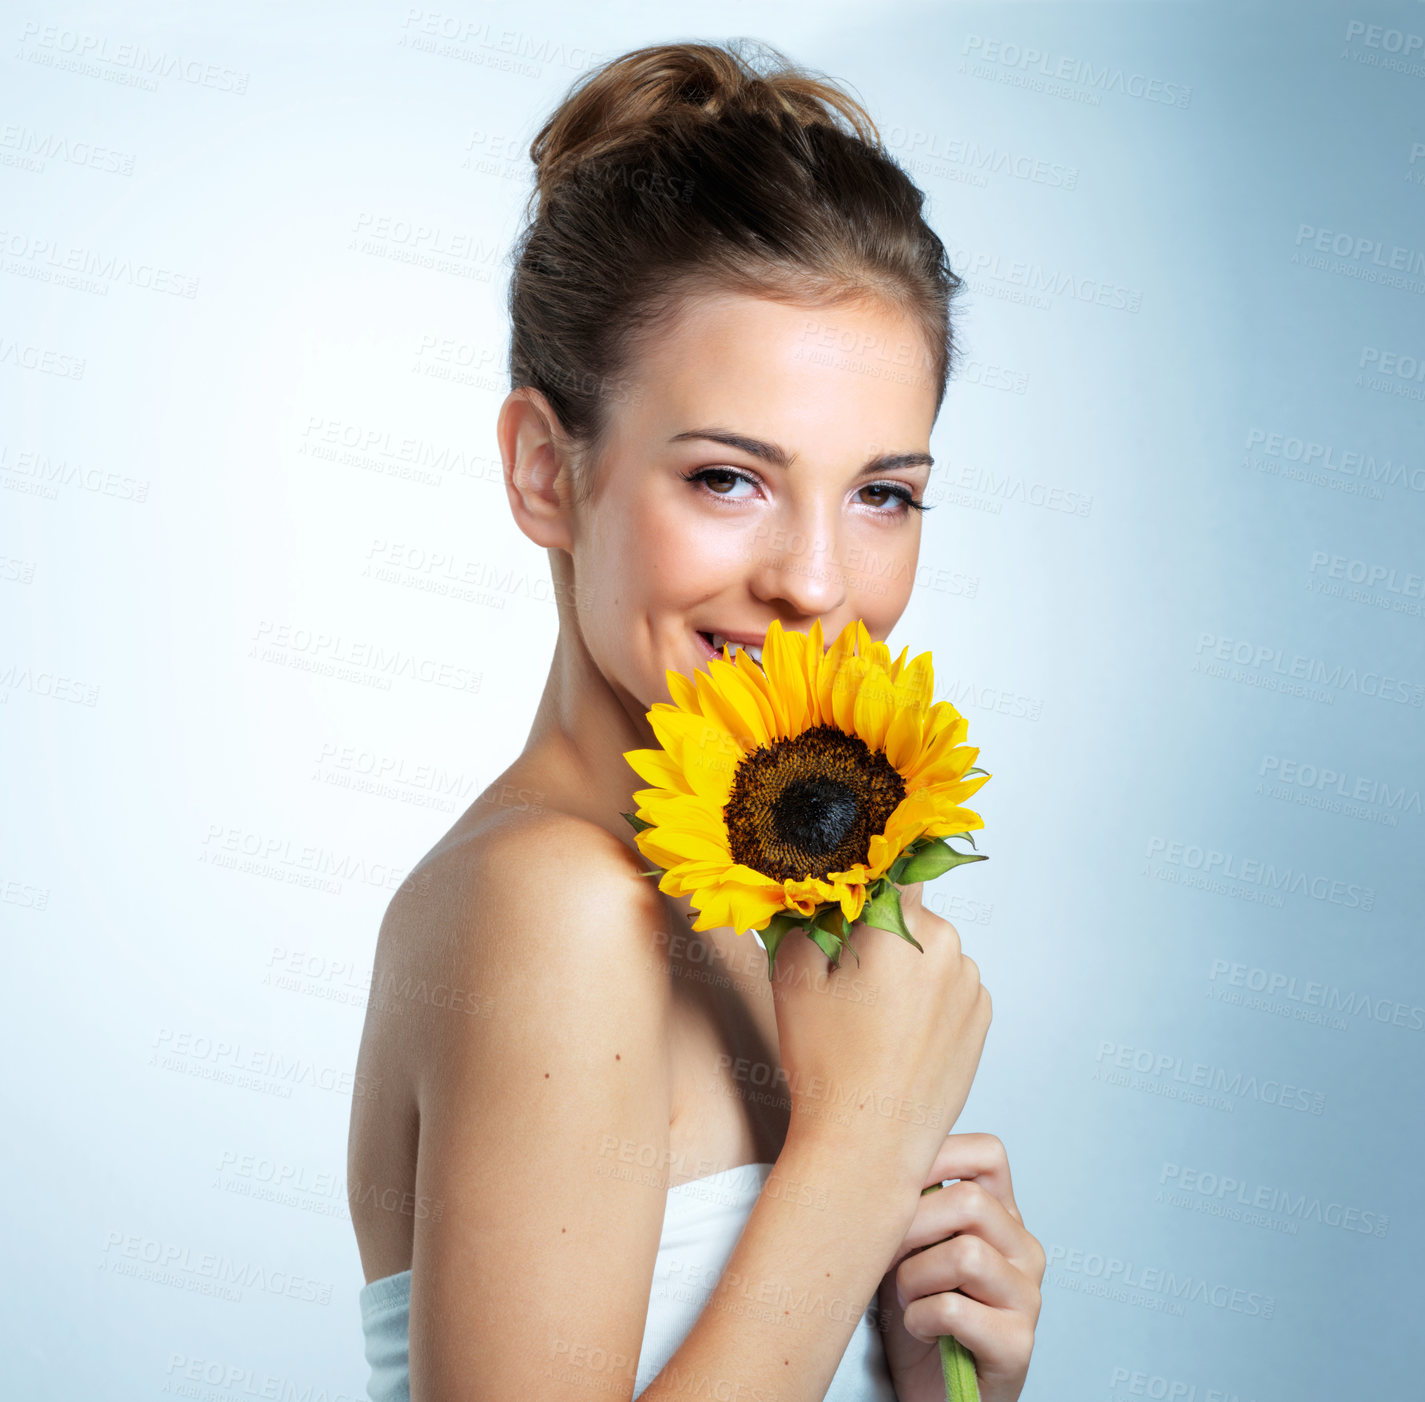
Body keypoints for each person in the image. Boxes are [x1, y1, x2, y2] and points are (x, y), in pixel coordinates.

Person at [347, 37, 1045, 1402]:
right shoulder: (551, 905)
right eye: (728, 477)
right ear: (548, 472)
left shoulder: (750, 908)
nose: (815, 581)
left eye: (882, 493)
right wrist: (859, 1157)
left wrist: (936, 1378)